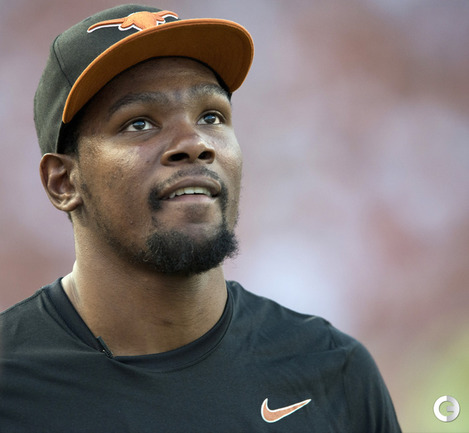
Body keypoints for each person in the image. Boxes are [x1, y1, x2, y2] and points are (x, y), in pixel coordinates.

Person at [0, 4, 401, 432]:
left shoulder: (334, 372)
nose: (194, 143)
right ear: (63, 182)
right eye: (139, 123)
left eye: (211, 116)